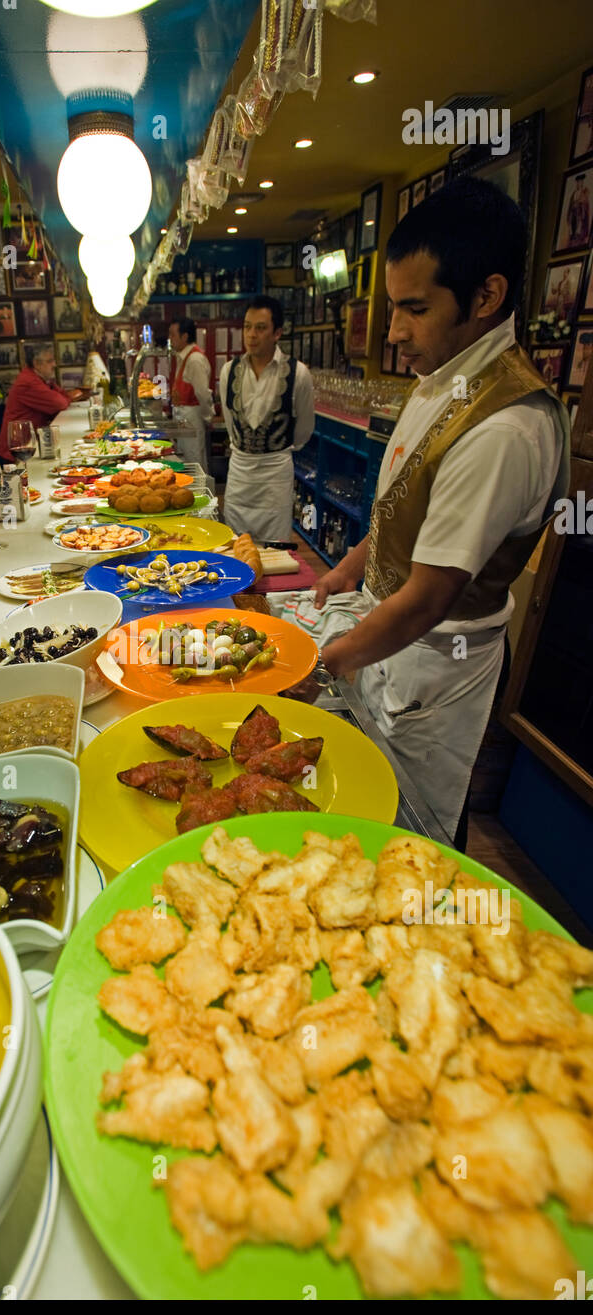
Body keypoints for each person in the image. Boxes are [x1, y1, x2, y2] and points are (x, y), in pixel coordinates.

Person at [310, 176, 570, 847]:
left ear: (486, 297)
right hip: (391, 639)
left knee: (412, 842)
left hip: (437, 661)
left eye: (414, 308)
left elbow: (428, 598)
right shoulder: (445, 373)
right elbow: (403, 501)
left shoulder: (505, 429)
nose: (392, 332)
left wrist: (325, 663)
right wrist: (350, 568)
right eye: (392, 306)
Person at [219, 296, 315, 541]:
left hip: (275, 477)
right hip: (240, 475)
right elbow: (230, 423)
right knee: (235, 549)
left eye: (260, 328)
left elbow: (303, 432)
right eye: (247, 327)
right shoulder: (228, 371)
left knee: (275, 551)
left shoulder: (299, 374)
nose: (251, 334)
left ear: (277, 333)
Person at [0, 343, 83, 456]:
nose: (55, 364)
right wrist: (66, 397)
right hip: (15, 451)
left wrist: (64, 397)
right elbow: (60, 403)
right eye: (50, 361)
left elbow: (62, 395)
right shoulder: (29, 381)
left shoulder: (41, 379)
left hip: (29, 443)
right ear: (37, 363)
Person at [168, 317, 214, 470]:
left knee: (194, 462)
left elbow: (203, 394)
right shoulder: (183, 357)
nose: (170, 339)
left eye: (173, 335)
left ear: (185, 336)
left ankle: (200, 492)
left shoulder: (194, 359)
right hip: (184, 418)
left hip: (192, 418)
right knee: (187, 460)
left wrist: (208, 418)